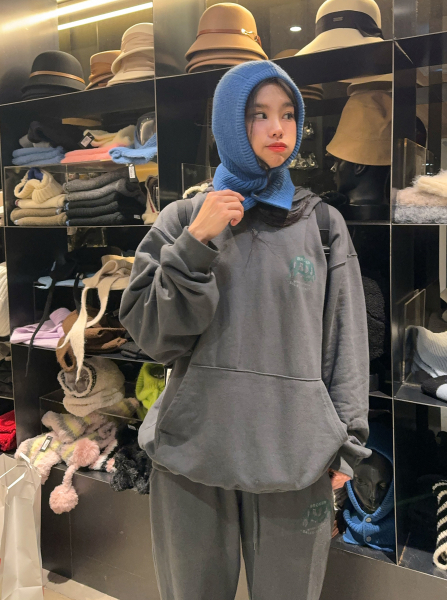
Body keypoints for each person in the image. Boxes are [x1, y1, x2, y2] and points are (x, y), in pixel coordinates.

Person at [119, 60, 370, 600]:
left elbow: (345, 343)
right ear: (230, 124)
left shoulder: (321, 223)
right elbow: (152, 337)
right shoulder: (182, 218)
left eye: (288, 114)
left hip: (295, 454)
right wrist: (195, 245)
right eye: (259, 115)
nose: (278, 129)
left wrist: (348, 444)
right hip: (192, 452)